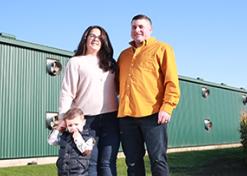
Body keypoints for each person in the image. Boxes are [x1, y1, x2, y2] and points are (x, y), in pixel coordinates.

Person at [117, 14, 181, 176]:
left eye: (141, 27)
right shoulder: (123, 56)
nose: (137, 30)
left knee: (158, 159)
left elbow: (171, 81)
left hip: (153, 115)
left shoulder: (163, 48)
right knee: (132, 162)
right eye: (133, 27)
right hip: (126, 117)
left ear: (150, 30)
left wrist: (167, 107)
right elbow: (116, 85)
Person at [58, 25, 120, 176]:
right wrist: (63, 118)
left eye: (100, 37)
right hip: (86, 121)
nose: (95, 39)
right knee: (89, 162)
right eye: (92, 35)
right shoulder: (75, 62)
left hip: (111, 119)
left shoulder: (111, 64)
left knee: (107, 162)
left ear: (104, 41)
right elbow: (67, 92)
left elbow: (119, 89)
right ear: (85, 39)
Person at [48, 108, 96, 176]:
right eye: (70, 125)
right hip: (63, 172)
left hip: (79, 172)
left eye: (76, 124)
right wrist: (58, 128)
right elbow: (51, 141)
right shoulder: (64, 137)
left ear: (83, 122)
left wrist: (77, 138)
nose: (73, 127)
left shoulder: (88, 138)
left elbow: (86, 151)